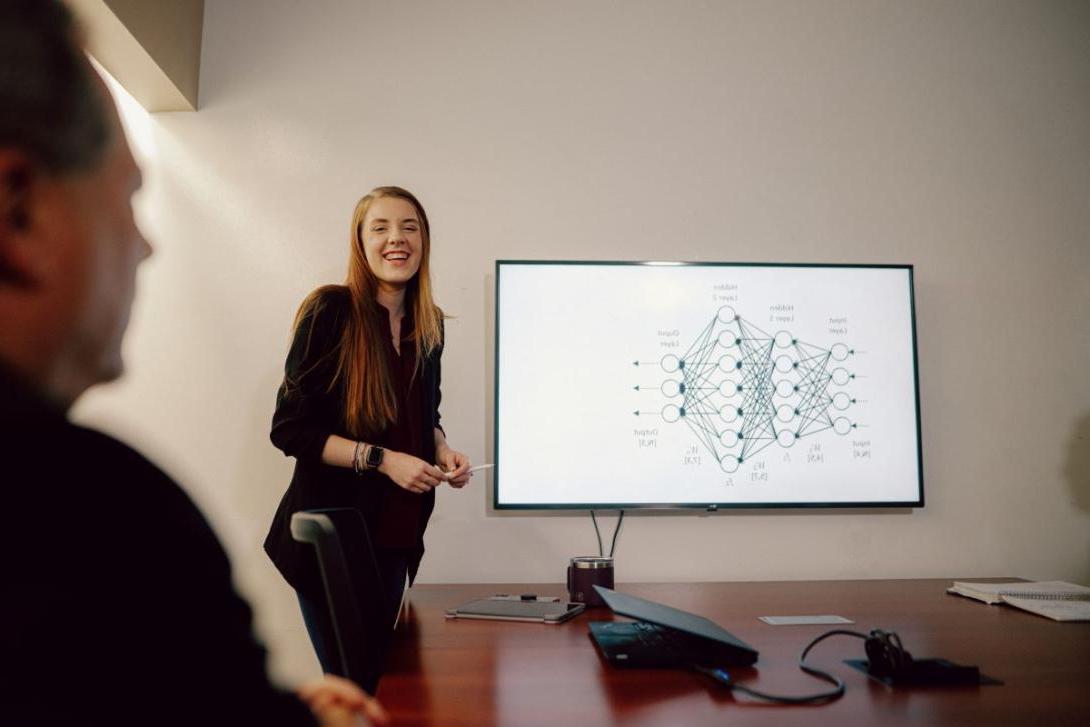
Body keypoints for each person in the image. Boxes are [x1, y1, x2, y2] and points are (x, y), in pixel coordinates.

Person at [0, 2, 386, 724]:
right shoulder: (93, 514)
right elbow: (293, 426)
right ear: (21, 211)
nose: (146, 245)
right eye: (127, 196)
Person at [265, 185, 472, 678]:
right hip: (332, 543)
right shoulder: (329, 312)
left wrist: (441, 449)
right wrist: (385, 460)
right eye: (380, 228)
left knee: (385, 689)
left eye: (409, 227)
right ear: (360, 242)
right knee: (357, 690)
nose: (396, 239)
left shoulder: (431, 325)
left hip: (397, 538)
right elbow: (290, 430)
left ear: (423, 241)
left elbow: (425, 411)